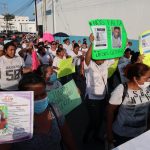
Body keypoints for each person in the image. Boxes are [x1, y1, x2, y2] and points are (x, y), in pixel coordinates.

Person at [11, 73, 77, 150]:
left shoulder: (54, 109)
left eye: (43, 94)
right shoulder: (14, 119)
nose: (40, 99)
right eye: (34, 97)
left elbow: (67, 135)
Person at [107, 63, 150, 147]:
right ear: (135, 78)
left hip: (142, 133)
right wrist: (109, 133)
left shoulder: (147, 89)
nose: (149, 80)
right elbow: (110, 111)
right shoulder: (121, 89)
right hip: (122, 136)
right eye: (147, 78)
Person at [83, 34, 114, 143]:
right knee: (94, 120)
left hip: (103, 97)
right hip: (92, 99)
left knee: (100, 119)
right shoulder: (89, 65)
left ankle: (95, 135)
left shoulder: (105, 63)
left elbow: (116, 55)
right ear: (95, 57)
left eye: (104, 57)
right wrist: (92, 43)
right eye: (100, 57)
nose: (103, 59)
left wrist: (121, 43)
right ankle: (86, 136)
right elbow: (87, 57)